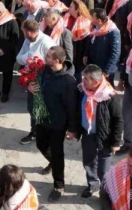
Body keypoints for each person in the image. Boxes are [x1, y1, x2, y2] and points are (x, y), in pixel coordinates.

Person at [27, 46, 78, 202]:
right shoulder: (44, 71)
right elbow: (34, 84)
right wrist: (30, 87)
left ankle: (59, 185)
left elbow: (72, 107)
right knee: (41, 145)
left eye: (48, 56)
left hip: (57, 124)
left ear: (57, 60)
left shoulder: (68, 81)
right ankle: (54, 163)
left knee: (57, 153)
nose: (45, 57)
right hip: (42, 119)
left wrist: (73, 129)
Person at [78, 64, 123, 199]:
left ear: (96, 82)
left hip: (105, 137)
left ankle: (106, 190)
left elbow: (118, 120)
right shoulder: (82, 90)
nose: (83, 81)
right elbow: (76, 111)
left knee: (104, 168)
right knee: (88, 161)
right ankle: (93, 184)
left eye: (86, 79)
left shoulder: (109, 96)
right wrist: (74, 129)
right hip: (88, 134)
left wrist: (116, 142)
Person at [17, 19, 56, 145]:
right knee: (32, 108)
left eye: (23, 31)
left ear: (28, 32)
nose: (23, 34)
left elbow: (54, 64)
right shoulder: (28, 40)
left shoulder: (46, 43)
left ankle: (42, 133)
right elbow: (19, 58)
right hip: (31, 80)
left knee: (42, 109)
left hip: (44, 82)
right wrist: (29, 57)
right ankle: (35, 132)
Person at [85, 8, 121, 85]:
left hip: (104, 67)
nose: (90, 18)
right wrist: (86, 54)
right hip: (95, 64)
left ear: (99, 20)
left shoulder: (112, 31)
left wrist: (107, 71)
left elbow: (115, 53)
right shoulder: (94, 27)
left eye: (93, 17)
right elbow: (90, 42)